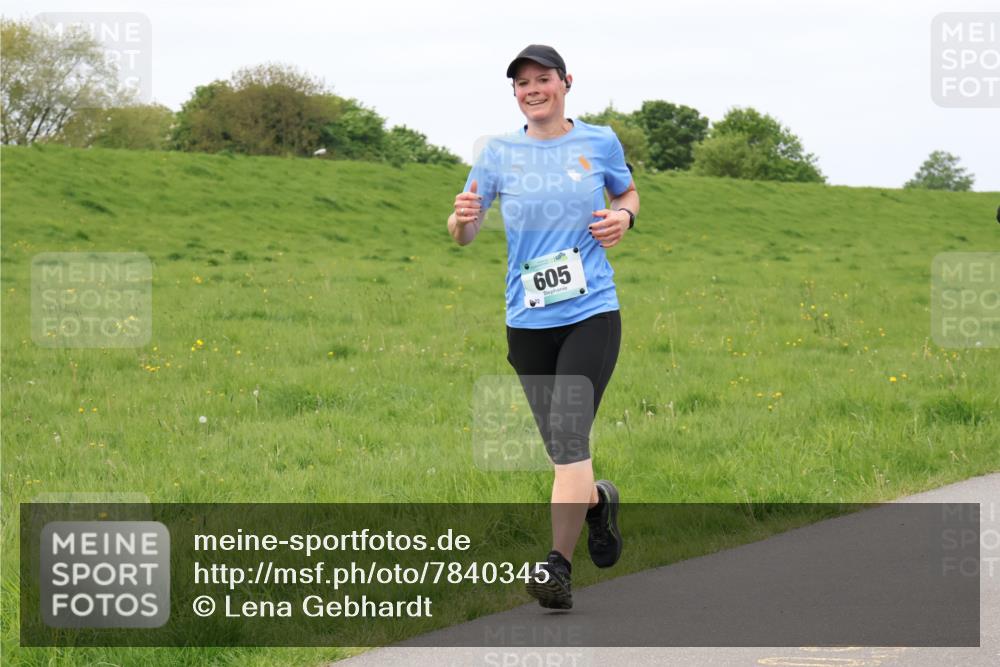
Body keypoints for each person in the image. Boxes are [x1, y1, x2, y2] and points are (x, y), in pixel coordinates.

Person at [447, 44, 639, 610]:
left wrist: (623, 215)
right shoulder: (498, 153)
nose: (533, 89)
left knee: (569, 435)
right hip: (526, 319)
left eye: (543, 79)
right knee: (562, 452)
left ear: (565, 83)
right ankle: (598, 502)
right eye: (522, 83)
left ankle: (556, 566)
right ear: (514, 94)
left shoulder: (599, 141)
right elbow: (466, 230)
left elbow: (625, 190)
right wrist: (459, 222)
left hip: (591, 312)